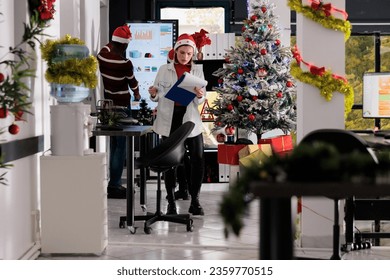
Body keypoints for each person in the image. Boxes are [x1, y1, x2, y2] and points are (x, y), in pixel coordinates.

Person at [148, 33, 206, 215]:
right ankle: (171, 202)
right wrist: (153, 93)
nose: (185, 57)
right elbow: (156, 95)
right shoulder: (164, 69)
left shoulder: (197, 70)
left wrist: (199, 95)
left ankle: (195, 200)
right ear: (175, 51)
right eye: (182, 53)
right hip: (169, 119)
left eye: (189, 53)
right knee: (170, 161)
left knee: (197, 159)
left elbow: (200, 99)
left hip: (190, 120)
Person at [97, 24, 141, 198]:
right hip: (123, 107)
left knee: (113, 144)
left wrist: (117, 39)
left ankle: (112, 183)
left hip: (108, 107)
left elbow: (107, 47)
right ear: (125, 45)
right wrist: (137, 95)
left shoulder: (102, 56)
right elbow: (133, 84)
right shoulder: (125, 63)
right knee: (120, 147)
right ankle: (114, 185)